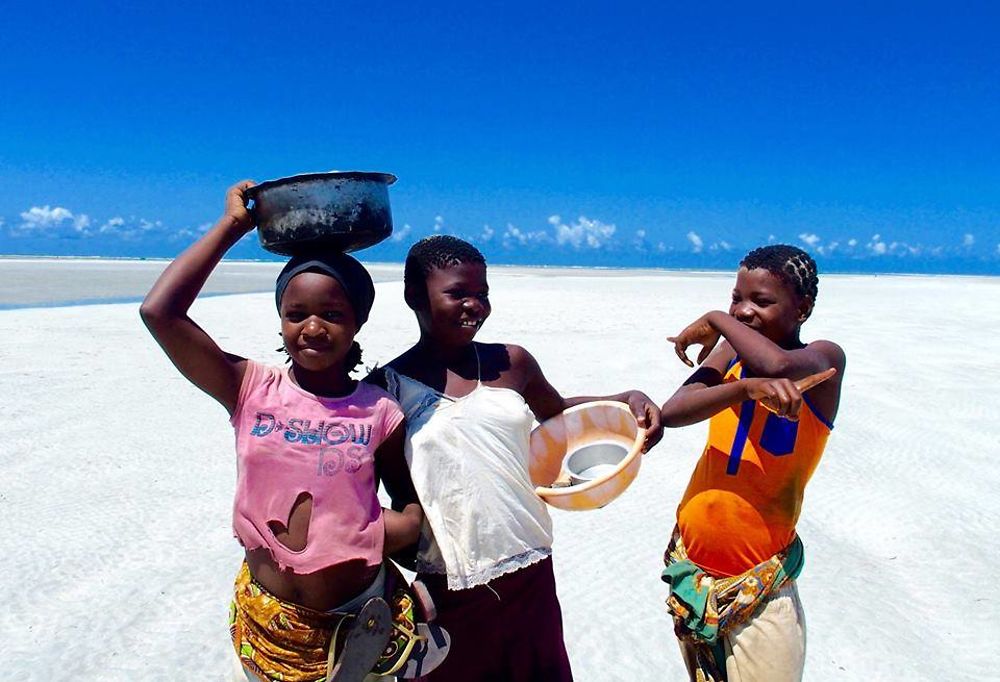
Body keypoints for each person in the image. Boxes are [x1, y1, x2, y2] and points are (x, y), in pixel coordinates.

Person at [140, 181, 437, 681]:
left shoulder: (380, 411)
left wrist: (389, 529)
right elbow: (160, 312)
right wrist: (233, 226)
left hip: (358, 620)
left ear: (358, 321)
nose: (313, 328)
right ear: (280, 319)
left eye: (333, 314)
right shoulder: (249, 388)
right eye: (296, 314)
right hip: (267, 624)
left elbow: (405, 501)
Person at [367, 235, 664, 682]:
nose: (474, 305)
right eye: (457, 293)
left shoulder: (512, 363)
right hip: (450, 583)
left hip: (530, 566)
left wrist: (626, 400)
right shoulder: (386, 389)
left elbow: (559, 414)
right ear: (414, 296)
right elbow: (385, 490)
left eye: (482, 294)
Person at [658, 244, 845, 682]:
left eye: (760, 301)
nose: (743, 312)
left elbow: (777, 364)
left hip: (759, 585)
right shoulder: (732, 359)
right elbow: (674, 410)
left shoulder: (823, 359)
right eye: (735, 299)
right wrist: (743, 388)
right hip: (694, 572)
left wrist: (715, 319)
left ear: (803, 308)